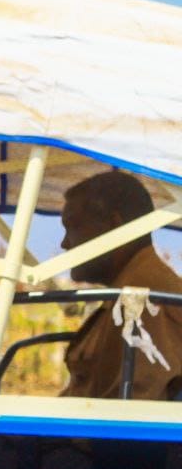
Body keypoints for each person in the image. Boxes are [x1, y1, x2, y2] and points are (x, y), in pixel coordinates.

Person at [59, 170, 182, 400]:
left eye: (73, 227)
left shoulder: (144, 301)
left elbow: (134, 418)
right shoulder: (128, 294)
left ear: (115, 228)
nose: (64, 244)